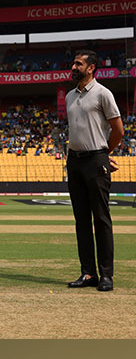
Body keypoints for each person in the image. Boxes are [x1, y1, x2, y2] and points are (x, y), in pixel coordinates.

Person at [65, 50, 124, 292]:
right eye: (73, 63)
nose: (73, 67)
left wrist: (103, 154)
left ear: (91, 68)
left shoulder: (103, 93)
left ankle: (106, 275)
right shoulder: (69, 96)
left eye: (78, 64)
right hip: (74, 160)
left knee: (101, 218)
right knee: (81, 220)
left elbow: (118, 130)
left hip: (95, 159)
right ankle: (88, 273)